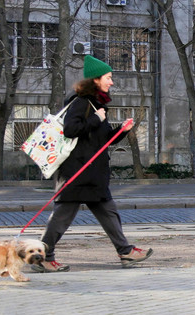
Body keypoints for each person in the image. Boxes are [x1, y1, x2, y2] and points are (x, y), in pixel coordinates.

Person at [31, 55, 153, 272]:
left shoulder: (96, 106)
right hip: (77, 172)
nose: (112, 82)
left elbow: (102, 141)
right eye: (108, 77)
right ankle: (43, 259)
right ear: (96, 80)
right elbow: (70, 130)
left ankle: (125, 252)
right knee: (61, 218)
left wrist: (121, 131)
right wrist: (96, 119)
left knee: (109, 212)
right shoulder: (80, 102)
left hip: (93, 173)